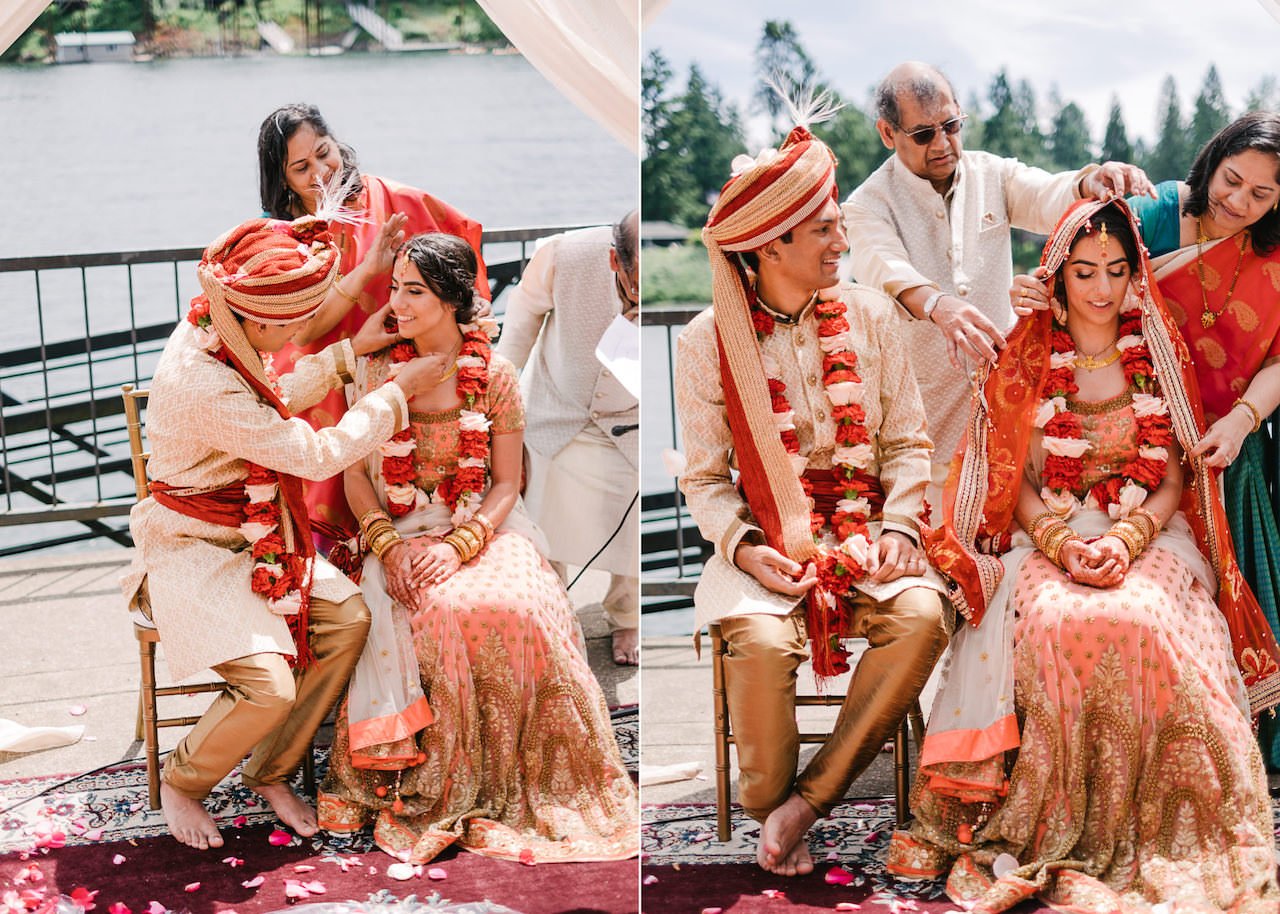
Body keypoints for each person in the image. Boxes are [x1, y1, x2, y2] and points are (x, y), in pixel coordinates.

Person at [888, 198, 1280, 911]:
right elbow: (1017, 482)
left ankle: (1155, 816)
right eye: (1084, 271)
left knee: (1143, 621)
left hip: (1153, 533)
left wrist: (1129, 538)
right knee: (1058, 621)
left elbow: (1173, 476)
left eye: (1116, 270)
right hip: (1049, 532)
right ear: (1058, 275)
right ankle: (1056, 811)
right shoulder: (1027, 355)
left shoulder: (1160, 350)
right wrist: (1064, 544)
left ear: (1136, 275)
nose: (1101, 288)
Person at [676, 95, 949, 878]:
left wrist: (899, 527)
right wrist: (749, 547)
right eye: (824, 227)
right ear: (767, 246)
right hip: (769, 544)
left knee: (926, 612)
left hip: (870, 535)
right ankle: (773, 800)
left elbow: (907, 443)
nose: (842, 238)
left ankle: (811, 801)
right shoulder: (706, 343)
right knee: (759, 643)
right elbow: (703, 480)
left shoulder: (870, 317)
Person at [119, 215, 449, 851]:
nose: (298, 331)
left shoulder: (220, 328)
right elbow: (319, 455)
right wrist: (397, 395)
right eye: (291, 322)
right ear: (252, 316)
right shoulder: (203, 380)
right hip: (192, 545)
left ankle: (268, 767)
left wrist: (347, 355)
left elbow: (270, 398)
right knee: (267, 688)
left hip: (258, 525)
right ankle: (183, 782)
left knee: (350, 615)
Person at [317, 233, 639, 865]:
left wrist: (461, 544)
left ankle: (518, 776)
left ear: (451, 300)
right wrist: (388, 546)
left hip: (486, 525)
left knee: (517, 607)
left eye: (415, 292)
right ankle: (429, 771)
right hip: (394, 529)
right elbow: (355, 476)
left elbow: (507, 482)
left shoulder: (493, 375)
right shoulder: (378, 371)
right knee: (436, 613)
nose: (398, 304)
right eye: (396, 289)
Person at [1014, 112, 1280, 766]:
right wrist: (1032, 290)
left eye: (1261, 195)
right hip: (1123, 426)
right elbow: (1073, 263)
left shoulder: (1274, 256)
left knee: (1235, 477)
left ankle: (1243, 729)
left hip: (1221, 435)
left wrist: (1241, 421)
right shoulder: (1152, 214)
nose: (1237, 202)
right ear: (1213, 161)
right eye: (1232, 179)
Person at [842, 61, 1154, 505]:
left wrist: (1090, 181)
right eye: (923, 134)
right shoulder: (868, 205)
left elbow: (1046, 195)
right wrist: (937, 305)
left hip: (1010, 410)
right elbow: (881, 265)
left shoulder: (992, 174)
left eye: (951, 126)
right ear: (887, 134)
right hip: (922, 422)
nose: (943, 143)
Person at [257, 103, 488, 536]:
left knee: (401, 487)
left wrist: (469, 308)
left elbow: (458, 238)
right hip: (324, 375)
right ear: (283, 180)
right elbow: (302, 328)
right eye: (301, 167)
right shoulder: (282, 237)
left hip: (398, 366)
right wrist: (368, 268)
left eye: (324, 152)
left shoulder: (391, 201)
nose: (321, 172)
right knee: (327, 492)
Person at [495, 210, 640, 665]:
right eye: (638, 286)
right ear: (617, 261)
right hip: (554, 411)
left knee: (632, 515)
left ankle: (628, 617)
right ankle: (553, 613)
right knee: (541, 518)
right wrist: (495, 398)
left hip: (629, 424)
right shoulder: (562, 253)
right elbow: (519, 326)